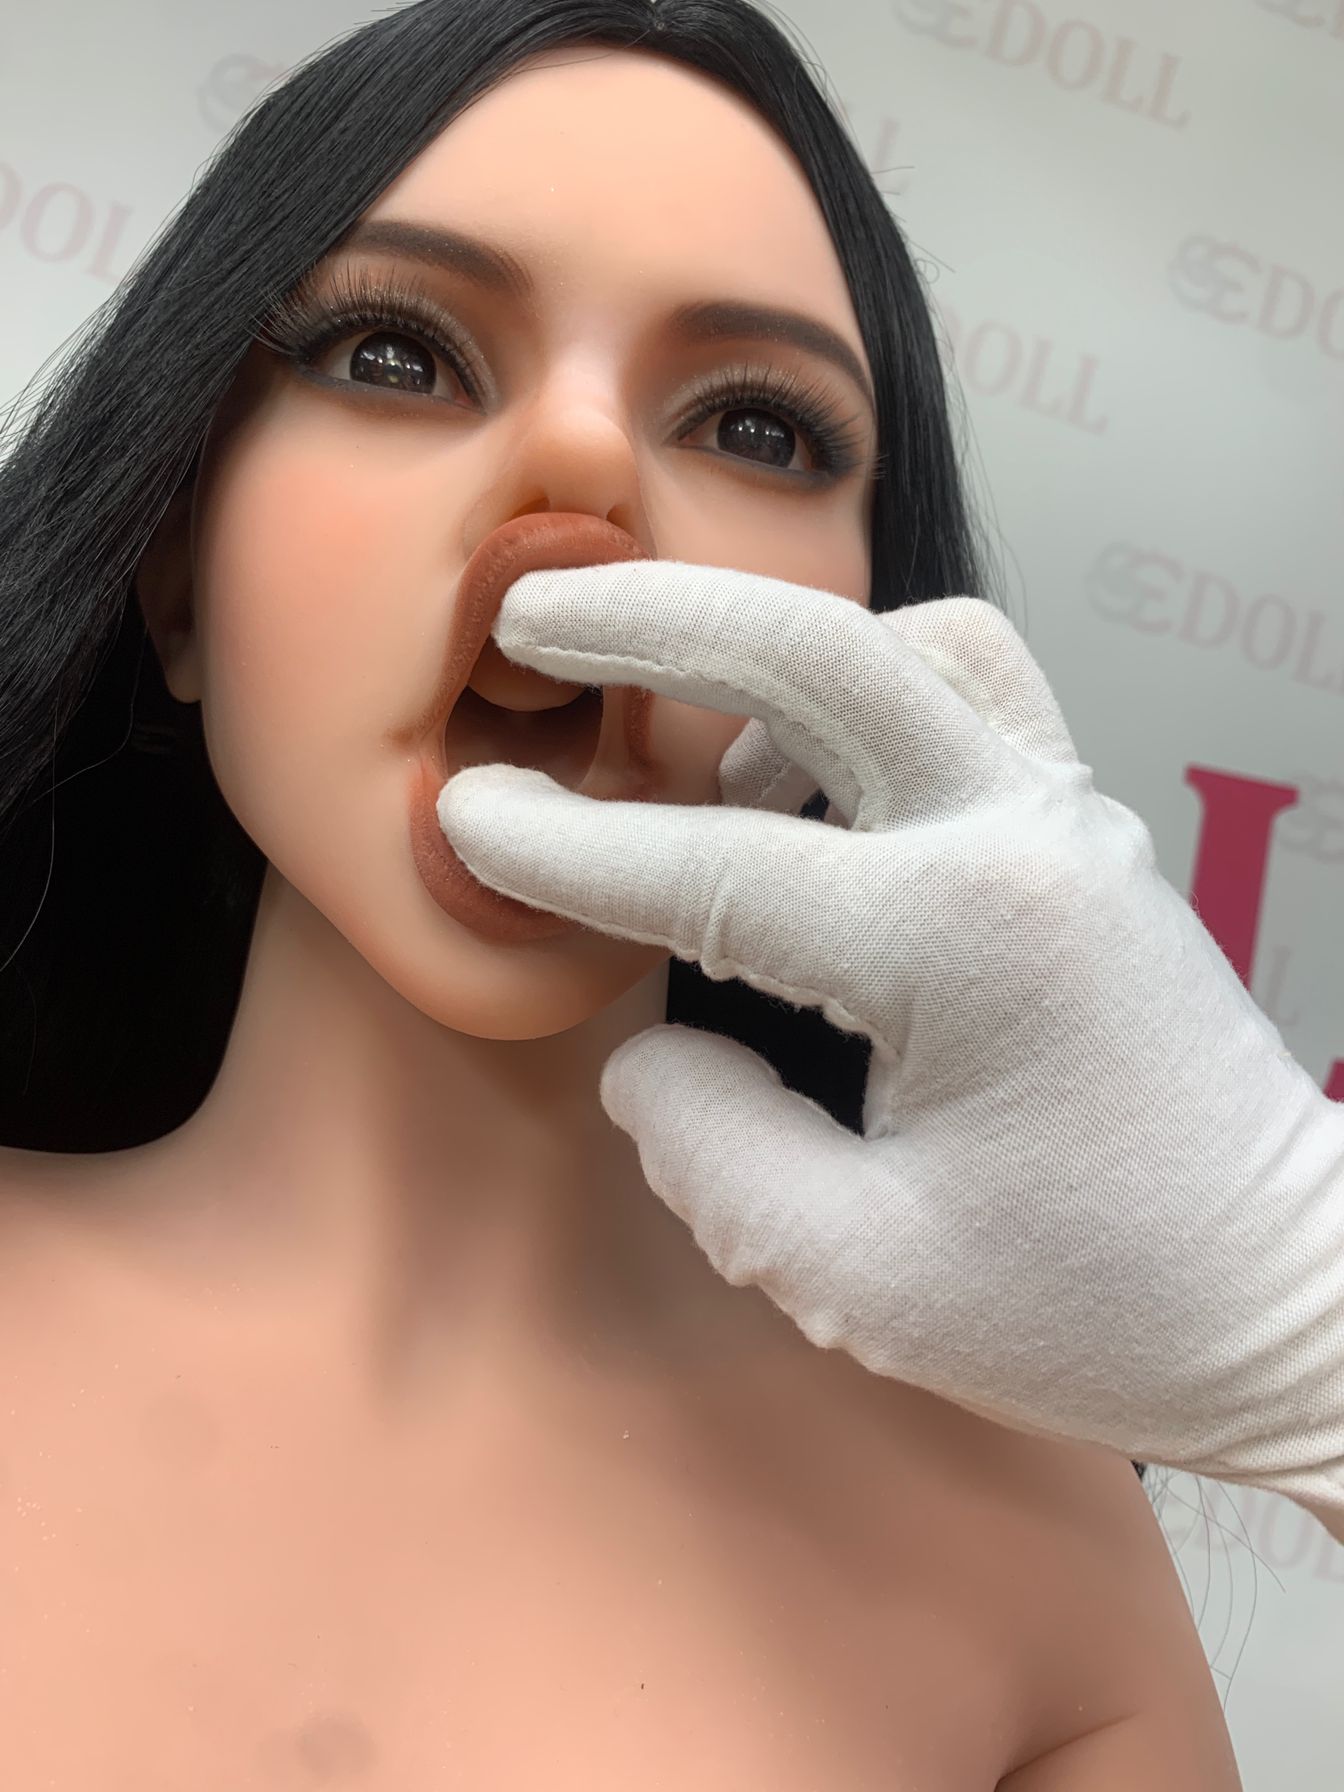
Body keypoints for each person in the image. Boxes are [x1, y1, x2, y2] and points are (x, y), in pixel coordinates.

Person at [0, 0, 1261, 1782]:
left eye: (757, 425)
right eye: (397, 354)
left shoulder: (1038, 1554)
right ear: (180, 577)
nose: (584, 464)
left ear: (867, 655)